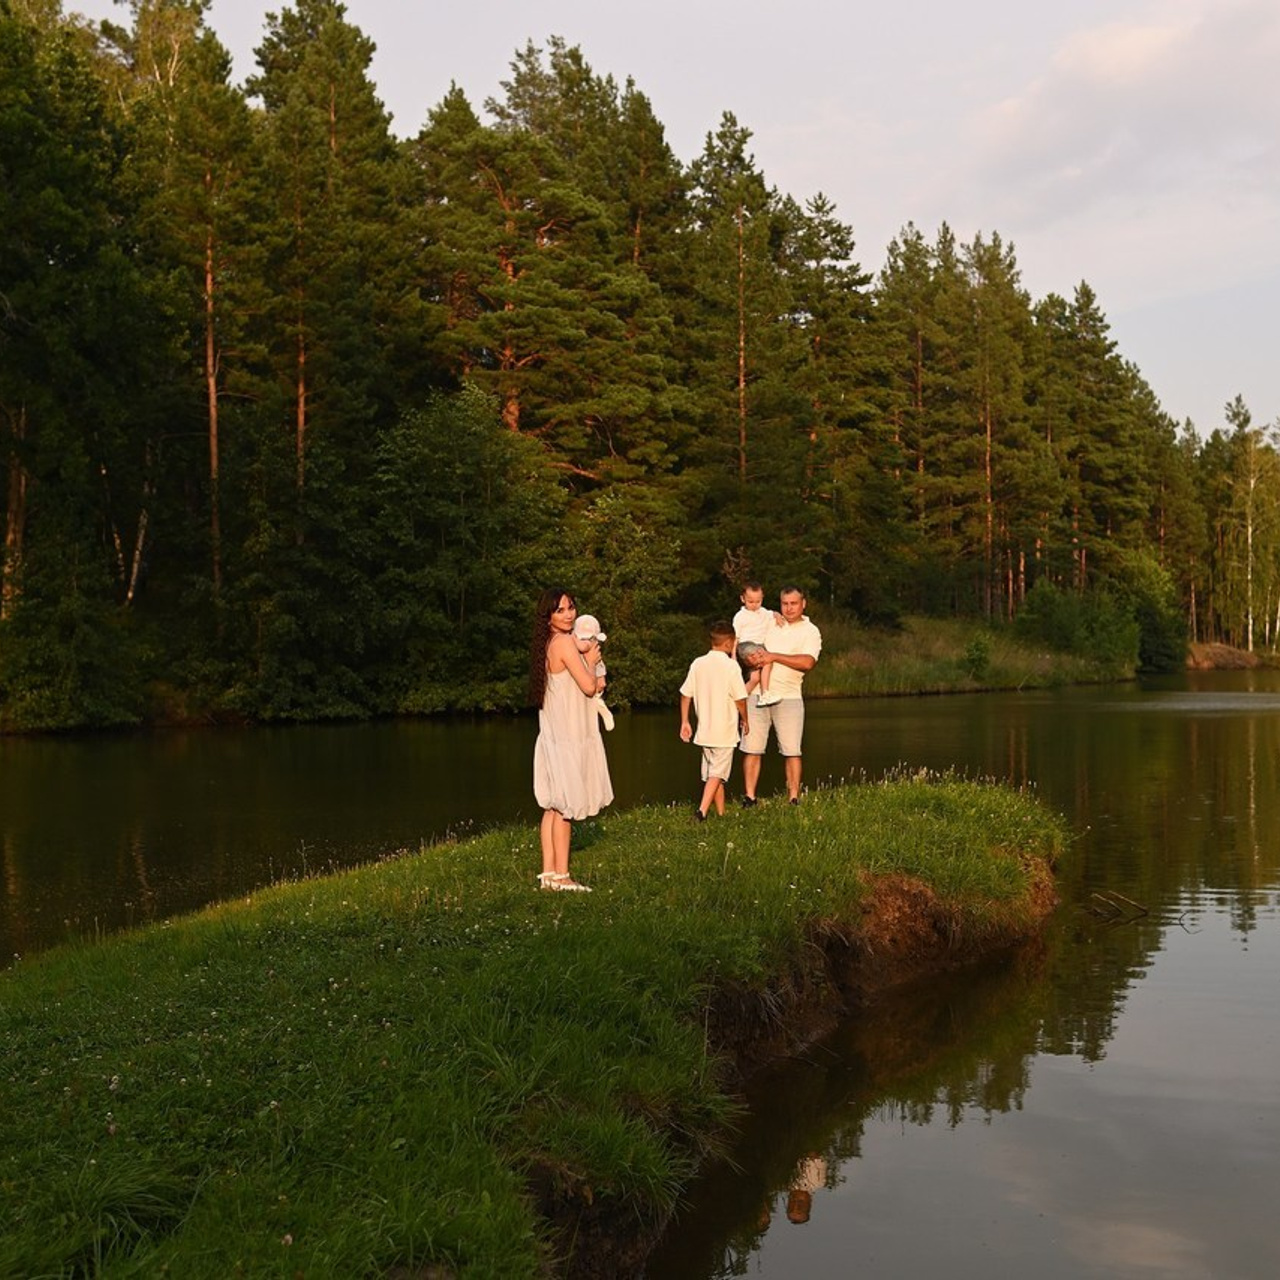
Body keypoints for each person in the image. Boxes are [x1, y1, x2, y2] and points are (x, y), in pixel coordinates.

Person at [530, 588, 613, 891]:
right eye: (560, 610)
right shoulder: (565, 643)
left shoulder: (550, 642)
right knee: (564, 807)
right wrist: (590, 660)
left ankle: (549, 874)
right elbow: (589, 686)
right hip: (568, 734)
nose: (568, 615)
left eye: (571, 608)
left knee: (553, 806)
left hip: (555, 734)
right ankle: (562, 876)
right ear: (548, 616)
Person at [740, 585, 822, 805]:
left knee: (792, 750)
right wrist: (751, 659)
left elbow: (807, 662)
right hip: (757, 695)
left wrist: (774, 656)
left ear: (803, 604)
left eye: (793, 603)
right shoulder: (770, 622)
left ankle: (793, 798)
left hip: (789, 696)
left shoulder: (810, 631)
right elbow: (748, 644)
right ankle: (749, 797)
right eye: (785, 603)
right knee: (752, 748)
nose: (789, 608)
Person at [679, 620, 750, 819]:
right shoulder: (731, 666)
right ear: (729, 643)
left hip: (705, 731)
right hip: (724, 731)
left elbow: (685, 694)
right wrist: (745, 719)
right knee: (717, 774)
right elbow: (740, 698)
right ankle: (701, 811)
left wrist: (685, 721)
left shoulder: (698, 663)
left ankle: (720, 814)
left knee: (714, 772)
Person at [732, 581, 784, 706]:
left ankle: (736, 701)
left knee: (755, 678)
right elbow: (735, 638)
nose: (755, 605)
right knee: (768, 659)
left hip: (759, 646)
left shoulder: (763, 612)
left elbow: (773, 613)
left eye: (758, 601)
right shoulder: (740, 616)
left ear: (762, 598)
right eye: (750, 602)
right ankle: (765, 693)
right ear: (742, 599)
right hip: (745, 646)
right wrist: (733, 656)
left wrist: (777, 615)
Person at [572, 613, 615, 731]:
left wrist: (601, 677)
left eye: (591, 638)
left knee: (596, 692)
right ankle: (599, 705)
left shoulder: (589, 645)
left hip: (593, 670)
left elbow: (598, 662)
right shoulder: (573, 645)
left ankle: (602, 708)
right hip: (584, 673)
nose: (587, 642)